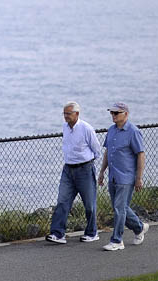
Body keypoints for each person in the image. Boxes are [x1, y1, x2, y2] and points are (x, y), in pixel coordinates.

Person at [45, 101, 104, 244]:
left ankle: (92, 232)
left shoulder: (86, 129)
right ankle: (58, 234)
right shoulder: (65, 127)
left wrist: (87, 164)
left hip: (84, 169)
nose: (65, 117)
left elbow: (97, 151)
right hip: (68, 170)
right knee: (62, 201)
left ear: (77, 114)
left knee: (89, 204)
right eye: (64, 114)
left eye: (68, 114)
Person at [97, 101, 149, 251]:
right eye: (111, 113)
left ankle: (117, 240)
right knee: (120, 208)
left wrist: (139, 178)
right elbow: (108, 152)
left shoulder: (133, 131)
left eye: (116, 113)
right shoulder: (111, 130)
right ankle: (139, 228)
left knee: (120, 209)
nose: (113, 116)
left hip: (126, 178)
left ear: (125, 114)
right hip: (113, 177)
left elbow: (140, 154)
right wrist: (102, 172)